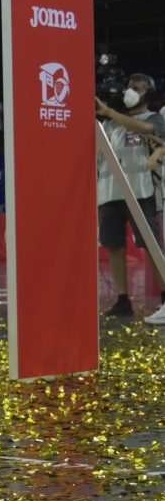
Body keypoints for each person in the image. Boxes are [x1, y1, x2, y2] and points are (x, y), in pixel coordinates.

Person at [96, 74, 165, 321]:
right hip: (108, 192)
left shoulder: (152, 118)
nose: (129, 91)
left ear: (148, 93)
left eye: (136, 88)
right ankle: (123, 300)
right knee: (114, 246)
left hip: (140, 190)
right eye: (128, 87)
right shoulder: (108, 124)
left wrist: (110, 113)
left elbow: (148, 131)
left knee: (151, 244)